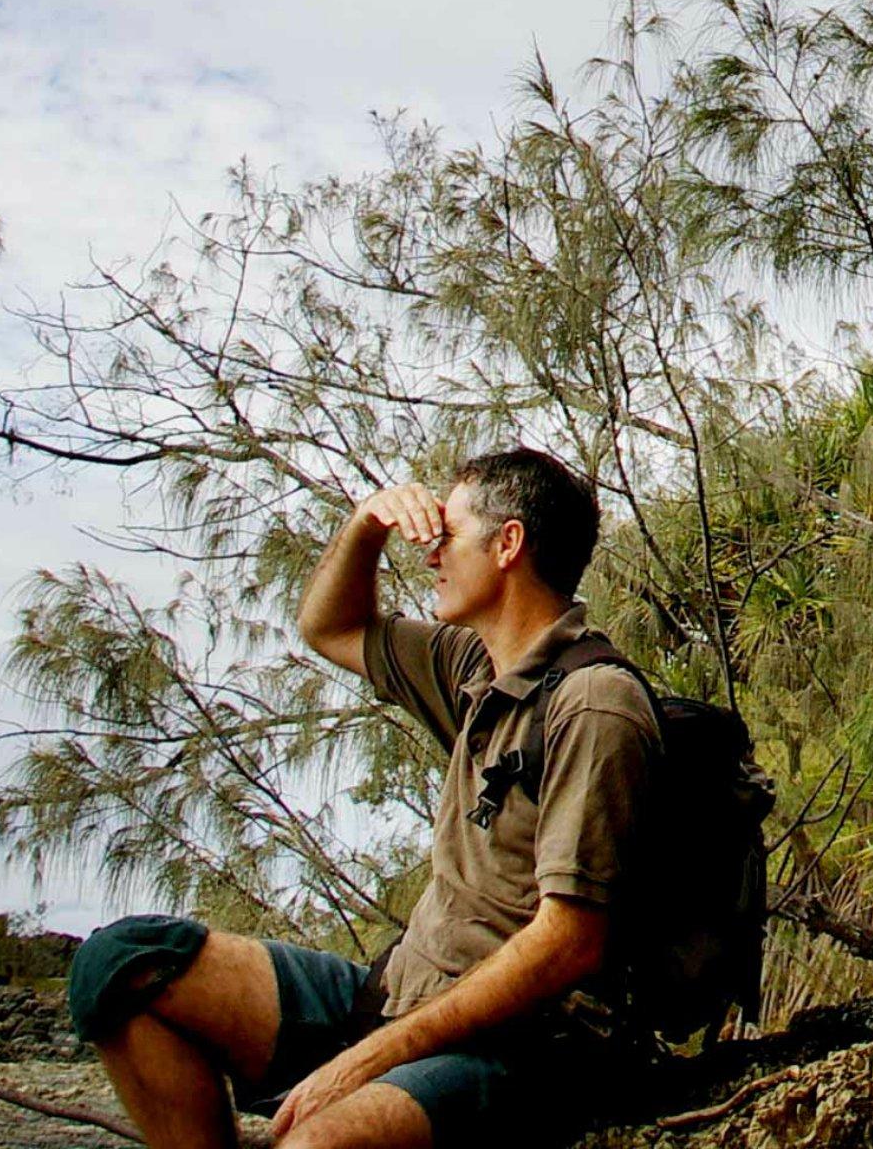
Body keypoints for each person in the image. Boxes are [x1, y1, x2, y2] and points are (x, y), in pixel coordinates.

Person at [66, 447, 660, 1149]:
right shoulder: (472, 666)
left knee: (316, 1143)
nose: (430, 554)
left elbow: (569, 941)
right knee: (120, 967)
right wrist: (364, 527)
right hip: (397, 997)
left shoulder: (595, 705)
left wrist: (365, 1063)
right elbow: (331, 628)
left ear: (508, 544)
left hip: (523, 1045)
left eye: (446, 535)